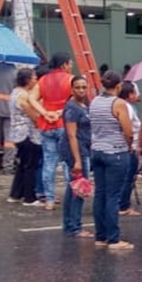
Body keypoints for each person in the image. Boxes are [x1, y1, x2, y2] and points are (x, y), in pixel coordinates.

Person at [90, 71, 135, 250]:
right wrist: (129, 145)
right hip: (116, 152)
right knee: (113, 196)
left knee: (100, 194)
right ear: (118, 85)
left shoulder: (94, 102)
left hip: (97, 149)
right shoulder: (119, 103)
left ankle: (100, 236)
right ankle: (114, 239)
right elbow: (128, 131)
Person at [29, 52, 73, 210]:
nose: (71, 66)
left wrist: (45, 112)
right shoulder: (70, 79)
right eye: (70, 63)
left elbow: (31, 99)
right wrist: (60, 112)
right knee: (68, 162)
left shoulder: (42, 80)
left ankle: (49, 199)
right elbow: (74, 100)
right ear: (64, 65)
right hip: (64, 123)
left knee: (49, 163)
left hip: (46, 124)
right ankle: (71, 197)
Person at [59, 76, 93, 237]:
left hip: (83, 149)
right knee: (80, 187)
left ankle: (69, 224)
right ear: (72, 89)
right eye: (78, 87)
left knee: (72, 187)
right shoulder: (72, 108)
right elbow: (71, 135)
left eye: (83, 87)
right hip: (76, 151)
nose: (81, 90)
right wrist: (77, 160)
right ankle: (75, 226)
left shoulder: (84, 105)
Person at [7, 68, 42, 206]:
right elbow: (33, 114)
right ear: (27, 80)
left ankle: (16, 194)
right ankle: (29, 197)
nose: (36, 80)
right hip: (27, 134)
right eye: (34, 78)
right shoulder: (23, 95)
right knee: (30, 166)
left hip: (17, 133)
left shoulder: (15, 93)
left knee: (23, 165)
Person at [118, 81, 142, 217]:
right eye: (134, 92)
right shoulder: (127, 107)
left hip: (127, 146)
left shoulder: (124, 106)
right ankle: (124, 205)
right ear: (129, 94)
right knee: (128, 177)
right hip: (129, 147)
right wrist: (132, 145)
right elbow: (128, 129)